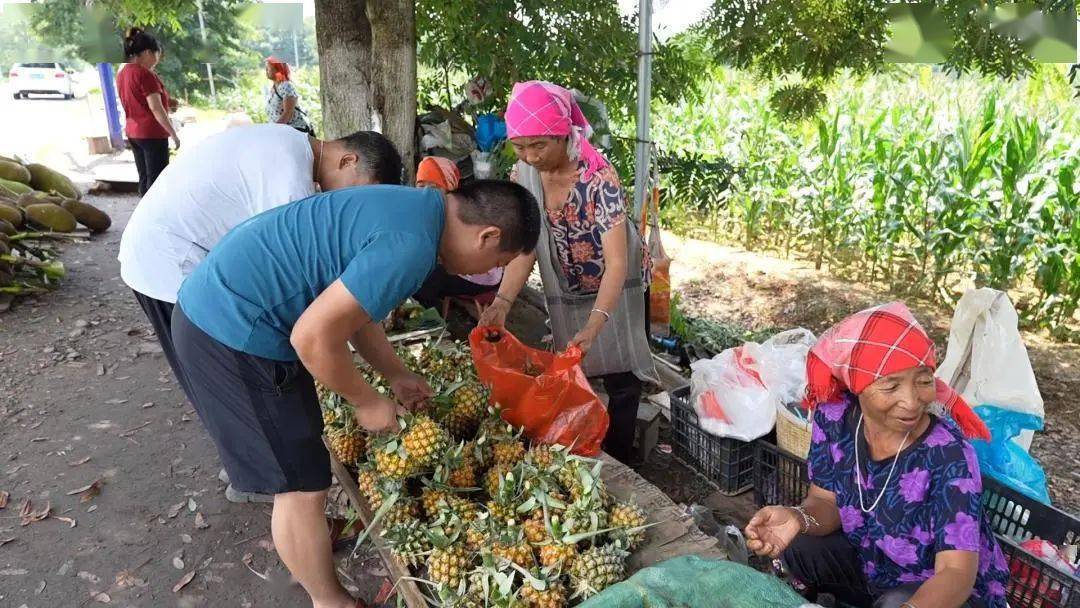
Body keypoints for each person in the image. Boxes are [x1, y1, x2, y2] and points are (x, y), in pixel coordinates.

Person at [171, 181, 539, 608]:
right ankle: (330, 602)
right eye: (497, 263)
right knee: (300, 487)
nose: (484, 275)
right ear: (487, 236)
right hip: (230, 329)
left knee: (303, 472)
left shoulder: (416, 210)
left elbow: (356, 311)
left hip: (222, 305)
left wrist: (395, 374)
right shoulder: (412, 245)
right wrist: (367, 401)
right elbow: (312, 336)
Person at [118, 124, 402, 501]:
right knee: (225, 375)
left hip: (180, 252)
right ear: (348, 159)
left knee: (224, 380)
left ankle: (252, 470)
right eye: (357, 193)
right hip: (169, 263)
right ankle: (268, 486)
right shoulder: (289, 180)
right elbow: (292, 282)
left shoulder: (290, 148)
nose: (352, 207)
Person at [744, 302, 1006, 608]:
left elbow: (955, 573)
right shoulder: (835, 417)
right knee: (797, 545)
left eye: (923, 381)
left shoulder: (949, 455)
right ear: (857, 385)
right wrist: (797, 518)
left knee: (895, 602)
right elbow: (825, 501)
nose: (911, 401)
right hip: (871, 565)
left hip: (940, 593)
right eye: (891, 385)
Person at [478, 81, 657, 465]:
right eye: (520, 146)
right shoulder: (523, 177)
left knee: (622, 380)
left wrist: (596, 325)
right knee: (572, 367)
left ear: (563, 135)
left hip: (617, 286)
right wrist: (502, 303)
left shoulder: (597, 178)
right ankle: (585, 450)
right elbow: (527, 248)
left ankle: (623, 459)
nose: (529, 156)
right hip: (567, 285)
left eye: (539, 145)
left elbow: (617, 264)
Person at [412, 156, 503, 310]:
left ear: (449, 188)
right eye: (421, 185)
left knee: (426, 278)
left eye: (434, 186)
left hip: (480, 275)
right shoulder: (431, 208)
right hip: (460, 267)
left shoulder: (457, 212)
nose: (426, 192)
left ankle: (428, 322)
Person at [116, 28, 180, 195]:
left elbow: (136, 99)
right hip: (152, 133)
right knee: (157, 181)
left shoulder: (123, 73)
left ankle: (144, 214)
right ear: (146, 52)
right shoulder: (145, 75)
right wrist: (172, 133)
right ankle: (156, 217)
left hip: (133, 132)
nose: (157, 59)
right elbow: (155, 108)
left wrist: (168, 101)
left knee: (144, 178)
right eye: (157, 54)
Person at [265, 56, 313, 135]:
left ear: (278, 69)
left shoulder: (286, 86)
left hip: (294, 131)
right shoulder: (272, 89)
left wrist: (273, 130)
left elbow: (288, 113)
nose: (266, 70)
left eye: (268, 68)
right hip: (282, 132)